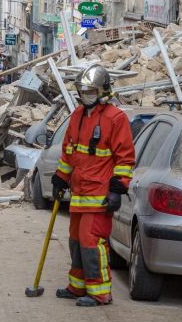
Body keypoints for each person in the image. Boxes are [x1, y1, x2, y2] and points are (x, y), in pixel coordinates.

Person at [51, 64, 135, 307]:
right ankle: (77, 287)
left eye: (89, 91)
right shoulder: (77, 115)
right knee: (76, 240)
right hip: (79, 192)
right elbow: (69, 152)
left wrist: (118, 189)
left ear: (102, 91)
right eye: (82, 90)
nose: (84, 95)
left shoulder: (115, 118)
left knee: (91, 241)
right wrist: (60, 178)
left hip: (99, 194)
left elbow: (125, 158)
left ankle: (100, 293)